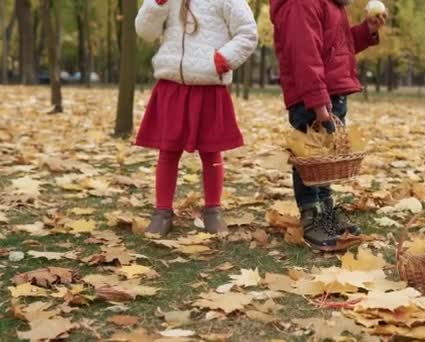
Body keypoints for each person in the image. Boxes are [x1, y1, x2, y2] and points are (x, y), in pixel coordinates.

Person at [134, 0, 258, 236]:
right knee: (168, 150)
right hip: (171, 84)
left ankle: (213, 211)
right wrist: (156, 4)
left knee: (211, 150)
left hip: (208, 84)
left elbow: (247, 32)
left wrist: (223, 59)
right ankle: (162, 212)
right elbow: (145, 31)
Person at [270, 0, 386, 250]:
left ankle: (326, 209)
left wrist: (367, 30)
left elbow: (338, 48)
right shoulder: (302, 4)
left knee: (325, 160)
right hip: (311, 96)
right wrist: (318, 102)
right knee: (311, 156)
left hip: (331, 92)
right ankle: (311, 214)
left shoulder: (331, 5)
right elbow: (305, 55)